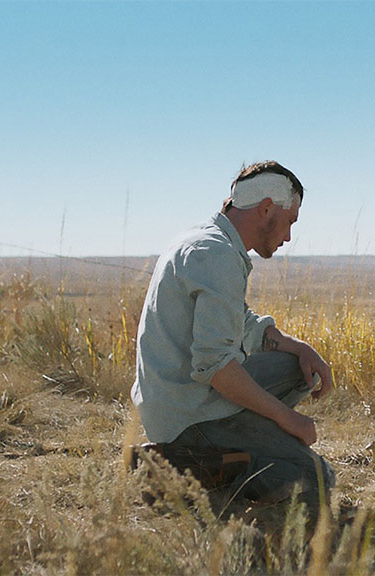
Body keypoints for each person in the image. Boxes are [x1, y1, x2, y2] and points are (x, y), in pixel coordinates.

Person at [131, 161, 335, 512]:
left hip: (178, 397)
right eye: (290, 222)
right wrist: (286, 418)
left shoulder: (207, 240)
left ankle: (238, 444)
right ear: (266, 208)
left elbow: (238, 321)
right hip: (188, 414)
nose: (288, 237)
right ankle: (180, 469)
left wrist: (299, 347)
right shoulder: (218, 255)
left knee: (296, 367)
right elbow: (217, 368)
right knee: (317, 478)